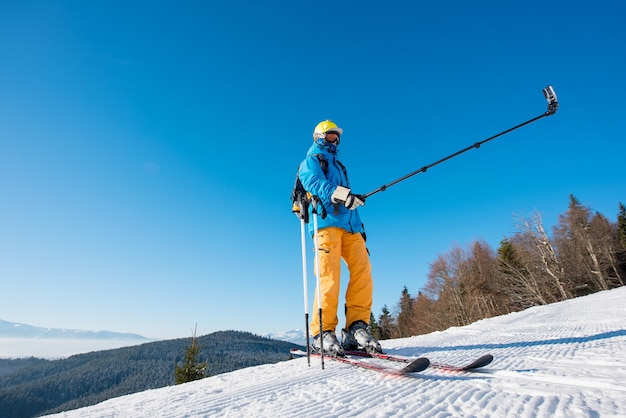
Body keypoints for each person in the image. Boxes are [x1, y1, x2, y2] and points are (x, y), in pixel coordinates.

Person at [297, 119, 382, 356]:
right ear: (319, 137)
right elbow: (314, 183)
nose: (335, 140)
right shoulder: (312, 161)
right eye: (330, 136)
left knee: (363, 271)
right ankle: (322, 332)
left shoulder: (340, 166)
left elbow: (345, 200)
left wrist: (358, 219)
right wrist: (343, 194)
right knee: (329, 277)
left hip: (351, 228)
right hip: (325, 226)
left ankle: (356, 328)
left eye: (337, 137)